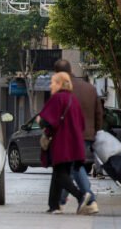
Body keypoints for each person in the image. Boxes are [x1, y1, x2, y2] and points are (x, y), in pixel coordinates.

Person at [37, 72, 91, 214]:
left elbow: (46, 120)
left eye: (53, 82)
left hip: (62, 144)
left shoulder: (57, 98)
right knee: (59, 173)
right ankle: (54, 205)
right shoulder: (73, 99)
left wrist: (40, 121)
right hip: (74, 144)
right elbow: (82, 124)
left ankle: (81, 196)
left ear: (60, 84)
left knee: (61, 174)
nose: (50, 85)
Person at [54, 59, 102, 214]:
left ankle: (89, 199)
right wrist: (95, 132)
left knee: (73, 168)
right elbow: (99, 113)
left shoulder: (64, 89)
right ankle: (60, 202)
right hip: (88, 135)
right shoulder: (90, 88)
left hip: (69, 135)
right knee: (69, 168)